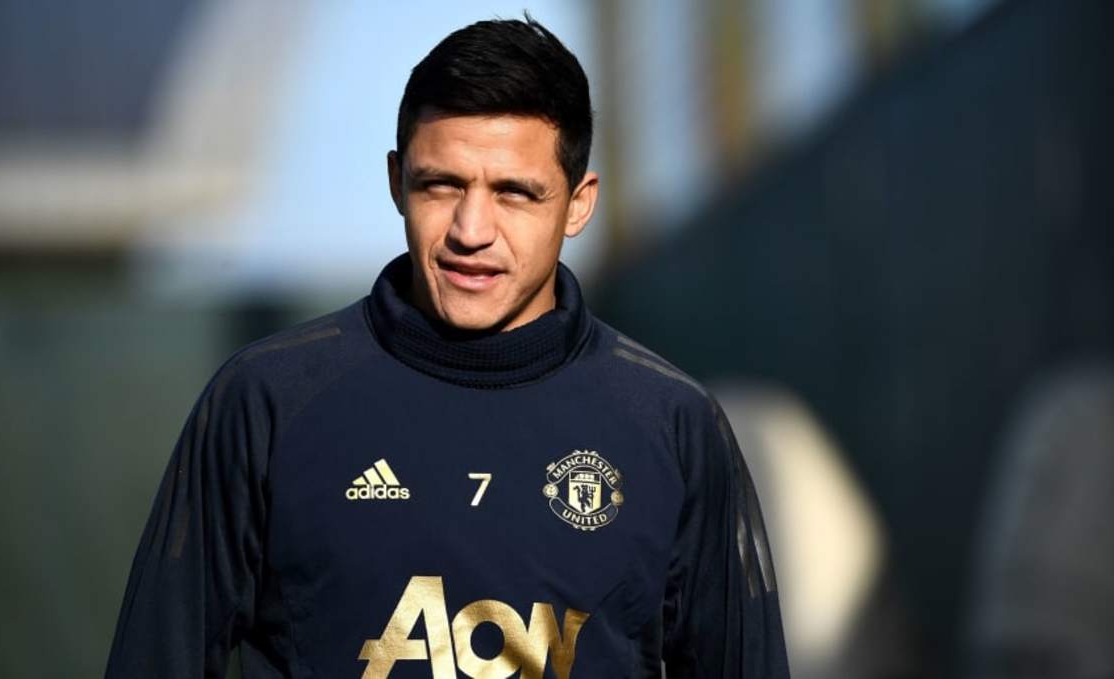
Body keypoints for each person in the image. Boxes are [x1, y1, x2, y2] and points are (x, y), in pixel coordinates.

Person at [105, 14, 788, 679]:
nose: (470, 229)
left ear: (578, 204)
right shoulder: (265, 403)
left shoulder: (672, 426)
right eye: (442, 184)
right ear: (396, 181)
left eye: (514, 194)